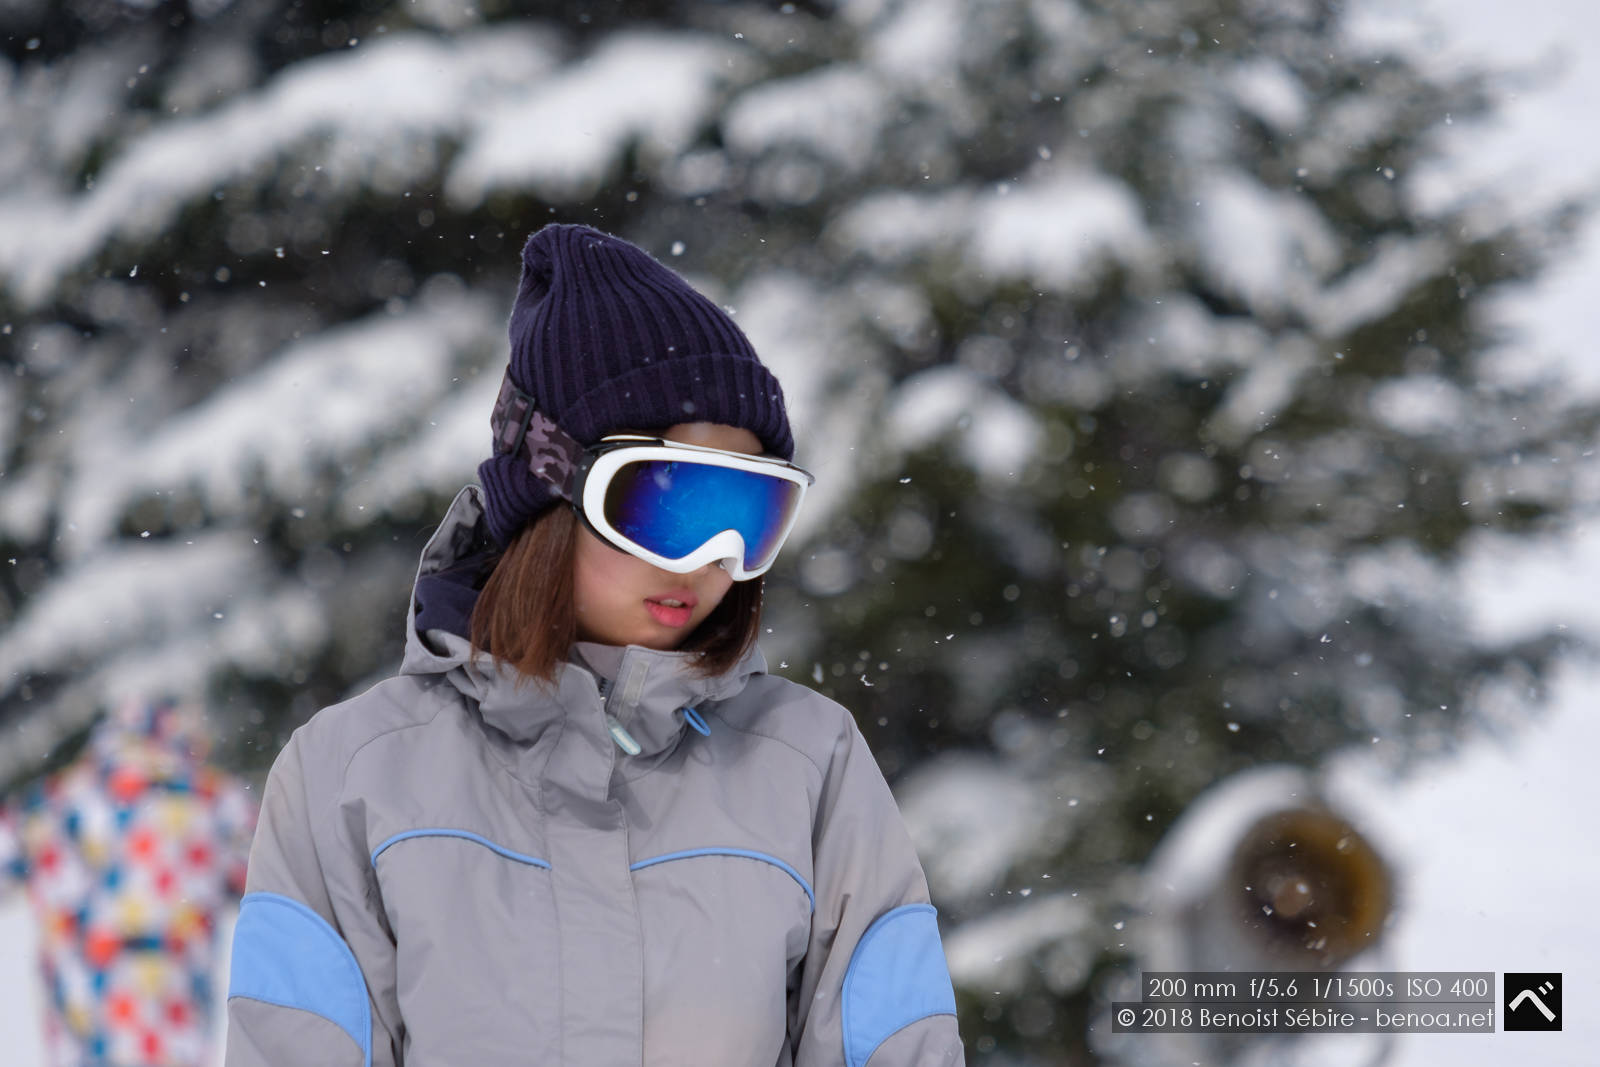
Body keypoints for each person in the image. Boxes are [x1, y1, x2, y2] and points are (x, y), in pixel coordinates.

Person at [223, 223, 965, 1066]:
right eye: (665, 500)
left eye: (747, 515)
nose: (708, 561)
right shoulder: (351, 776)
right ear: (549, 488)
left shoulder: (808, 764)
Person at [0, 698, 258, 1067]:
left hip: (85, 1032)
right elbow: (278, 884)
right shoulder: (214, 799)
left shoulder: (53, 801)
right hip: (174, 1027)